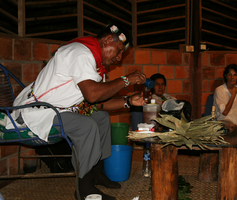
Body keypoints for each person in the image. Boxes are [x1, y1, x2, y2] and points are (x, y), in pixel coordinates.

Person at [6, 23, 147, 200]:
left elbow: (97, 104)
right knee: (86, 125)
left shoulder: (96, 65)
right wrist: (126, 80)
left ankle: (97, 172)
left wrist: (128, 101)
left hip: (61, 111)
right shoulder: (80, 53)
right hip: (39, 112)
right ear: (105, 42)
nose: (119, 58)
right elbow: (93, 95)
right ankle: (84, 189)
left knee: (101, 118)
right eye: (118, 51)